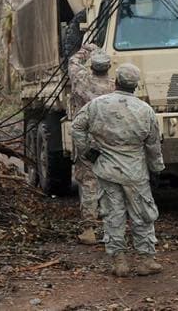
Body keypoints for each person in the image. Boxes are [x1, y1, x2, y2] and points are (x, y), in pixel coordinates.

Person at [71, 63, 165, 278]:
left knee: (113, 215)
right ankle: (146, 260)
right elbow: (153, 144)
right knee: (143, 215)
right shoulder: (145, 110)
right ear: (136, 85)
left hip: (106, 169)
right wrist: (156, 168)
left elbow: (77, 127)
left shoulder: (97, 105)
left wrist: (88, 151)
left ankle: (119, 261)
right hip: (135, 172)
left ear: (116, 82)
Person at [67, 44, 115, 245]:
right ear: (108, 67)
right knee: (111, 184)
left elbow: (73, 62)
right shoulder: (114, 87)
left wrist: (88, 49)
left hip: (86, 141)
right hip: (110, 143)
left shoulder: (81, 80)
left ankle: (89, 230)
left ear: (92, 67)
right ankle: (112, 230)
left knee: (88, 183)